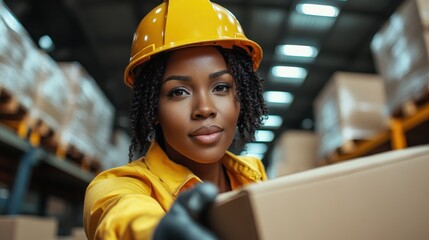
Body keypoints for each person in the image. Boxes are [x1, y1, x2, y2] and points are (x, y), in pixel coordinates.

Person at [83, 0, 268, 239]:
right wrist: (156, 233)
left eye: (221, 87)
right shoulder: (117, 186)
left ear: (241, 96)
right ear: (154, 110)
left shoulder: (254, 174)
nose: (204, 108)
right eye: (178, 92)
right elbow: (120, 216)